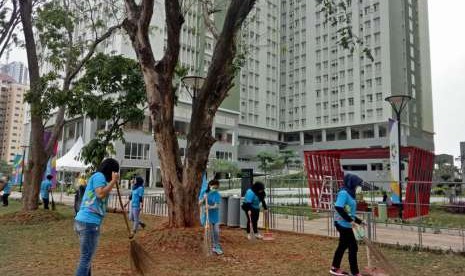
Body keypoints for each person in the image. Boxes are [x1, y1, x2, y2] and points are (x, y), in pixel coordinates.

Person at [74, 158, 119, 276]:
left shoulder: (99, 179)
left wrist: (117, 210)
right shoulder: (99, 176)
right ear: (111, 171)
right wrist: (113, 181)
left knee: (86, 258)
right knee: (86, 259)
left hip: (83, 222)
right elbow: (100, 194)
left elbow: (96, 205)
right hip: (89, 224)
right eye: (115, 172)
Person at [330, 173, 366, 276]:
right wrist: (350, 220)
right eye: (356, 184)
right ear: (351, 183)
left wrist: (359, 221)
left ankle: (334, 268)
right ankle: (355, 272)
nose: (357, 187)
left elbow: (349, 211)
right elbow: (339, 207)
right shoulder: (344, 193)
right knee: (353, 247)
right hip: (342, 224)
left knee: (342, 246)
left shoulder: (350, 193)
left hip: (346, 223)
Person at [199, 179, 223, 255]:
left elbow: (217, 205)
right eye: (214, 187)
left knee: (216, 231)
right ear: (210, 186)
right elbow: (199, 204)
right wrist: (204, 198)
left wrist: (210, 207)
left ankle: (216, 246)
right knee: (210, 232)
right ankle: (211, 246)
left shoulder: (217, 194)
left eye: (216, 188)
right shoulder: (204, 192)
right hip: (206, 216)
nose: (215, 189)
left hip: (215, 216)